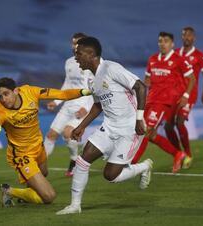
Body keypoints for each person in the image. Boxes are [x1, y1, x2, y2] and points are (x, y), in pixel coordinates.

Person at [56, 37, 152, 215]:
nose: (76, 57)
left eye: (79, 53)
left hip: (129, 129)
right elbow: (98, 105)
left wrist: (140, 119)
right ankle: (75, 205)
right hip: (109, 127)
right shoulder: (92, 80)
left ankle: (144, 167)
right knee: (82, 160)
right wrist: (82, 126)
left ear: (91, 54)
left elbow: (141, 87)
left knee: (110, 176)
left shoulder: (111, 68)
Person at [0, 77, 92, 206]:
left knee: (44, 173)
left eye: (6, 94)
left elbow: (62, 94)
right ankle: (9, 191)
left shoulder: (30, 92)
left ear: (16, 91)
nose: (3, 99)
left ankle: (26, 193)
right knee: (48, 197)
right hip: (22, 155)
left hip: (38, 146)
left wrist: (83, 91)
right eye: (0, 96)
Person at [131, 32, 195, 173]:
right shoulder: (152, 59)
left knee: (145, 131)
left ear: (172, 44)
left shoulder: (179, 59)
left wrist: (185, 95)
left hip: (164, 102)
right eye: (160, 41)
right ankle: (178, 154)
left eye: (166, 41)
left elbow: (192, 78)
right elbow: (147, 80)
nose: (162, 43)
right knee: (149, 133)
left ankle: (132, 162)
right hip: (150, 100)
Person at [44, 32, 93, 177]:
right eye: (73, 43)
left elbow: (94, 87)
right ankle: (40, 164)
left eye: (77, 43)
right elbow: (68, 84)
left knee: (68, 133)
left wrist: (87, 108)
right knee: (51, 135)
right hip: (68, 106)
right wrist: (57, 100)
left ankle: (74, 161)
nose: (74, 46)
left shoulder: (91, 62)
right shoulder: (69, 62)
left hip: (82, 106)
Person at [164, 27, 203, 169]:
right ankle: (179, 153)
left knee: (179, 122)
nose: (186, 38)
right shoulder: (175, 54)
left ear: (194, 38)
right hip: (174, 95)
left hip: (190, 95)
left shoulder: (199, 56)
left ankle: (188, 154)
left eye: (189, 36)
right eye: (184, 35)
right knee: (167, 127)